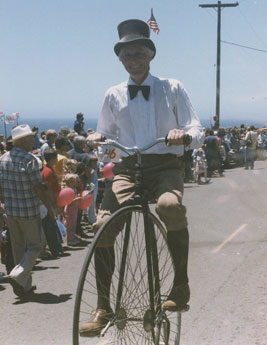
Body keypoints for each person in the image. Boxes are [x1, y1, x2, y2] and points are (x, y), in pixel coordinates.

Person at [79, 19, 204, 336]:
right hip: (127, 169)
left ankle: (180, 286)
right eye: (125, 55)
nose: (132, 59)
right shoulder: (113, 94)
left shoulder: (171, 88)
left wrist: (183, 135)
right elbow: (106, 134)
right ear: (120, 59)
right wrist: (97, 139)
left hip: (164, 166)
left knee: (168, 207)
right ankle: (104, 306)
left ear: (150, 54)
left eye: (137, 53)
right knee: (101, 226)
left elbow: (196, 129)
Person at [0, 124, 55, 297]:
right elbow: (38, 188)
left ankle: (24, 286)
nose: (34, 140)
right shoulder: (30, 160)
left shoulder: (3, 159)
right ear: (23, 141)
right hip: (28, 211)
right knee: (35, 246)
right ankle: (17, 275)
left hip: (12, 210)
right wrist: (50, 208)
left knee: (18, 248)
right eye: (31, 137)